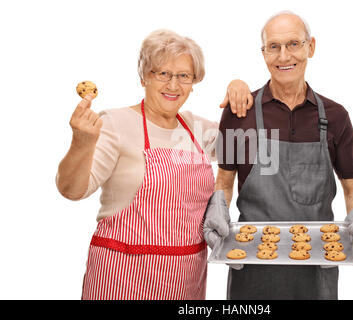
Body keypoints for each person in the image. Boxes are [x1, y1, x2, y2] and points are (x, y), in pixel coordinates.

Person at [56, 29, 252, 300]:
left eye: (184, 76)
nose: (173, 85)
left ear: (194, 82)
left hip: (185, 278)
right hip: (122, 277)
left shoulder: (197, 128)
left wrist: (239, 88)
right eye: (162, 73)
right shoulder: (115, 123)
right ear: (143, 76)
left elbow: (247, 144)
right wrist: (81, 142)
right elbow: (72, 190)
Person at [204, 11, 353, 300]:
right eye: (273, 47)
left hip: (318, 270)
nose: (284, 56)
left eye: (293, 44)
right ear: (263, 53)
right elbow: (224, 182)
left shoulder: (335, 117)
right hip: (250, 270)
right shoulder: (239, 115)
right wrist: (217, 213)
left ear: (311, 47)